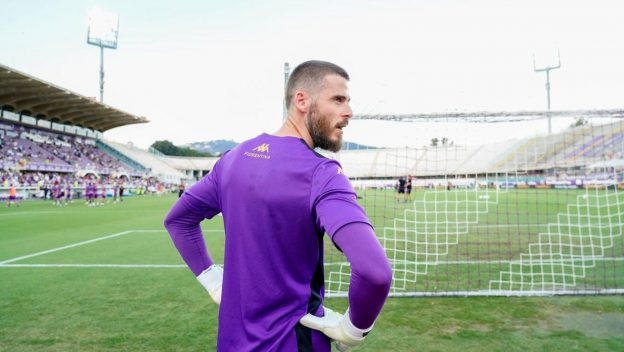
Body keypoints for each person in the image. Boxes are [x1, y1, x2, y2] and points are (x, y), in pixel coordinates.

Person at [164, 60, 392, 352]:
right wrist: (354, 328)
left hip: (232, 343)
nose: (348, 112)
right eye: (338, 99)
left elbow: (178, 220)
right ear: (301, 100)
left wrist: (210, 278)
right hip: (293, 342)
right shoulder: (321, 174)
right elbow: (375, 272)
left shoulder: (232, 160)